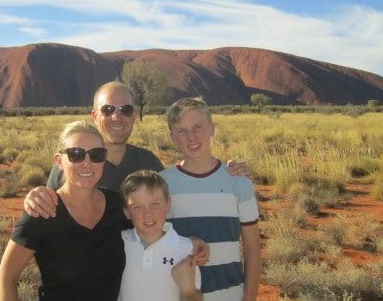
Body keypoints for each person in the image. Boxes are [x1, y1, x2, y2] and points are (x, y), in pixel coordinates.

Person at [24, 81, 253, 219]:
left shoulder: (148, 162)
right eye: (107, 109)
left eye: (125, 109)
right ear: (95, 116)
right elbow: (47, 204)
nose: (117, 117)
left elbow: (176, 204)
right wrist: (34, 197)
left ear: (134, 115)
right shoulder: (73, 162)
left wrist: (229, 175)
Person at [0, 120, 126, 301]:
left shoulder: (117, 205)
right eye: (76, 154)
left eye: (96, 154)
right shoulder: (43, 212)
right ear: (59, 161)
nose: (87, 163)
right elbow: (6, 278)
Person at [160, 97, 261, 301]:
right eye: (182, 131)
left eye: (198, 127)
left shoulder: (239, 183)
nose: (191, 137)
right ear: (172, 137)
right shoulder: (162, 185)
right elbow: (154, 242)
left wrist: (249, 298)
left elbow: (252, 250)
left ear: (212, 128)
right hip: (177, 295)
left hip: (230, 294)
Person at [119, 170, 202, 301]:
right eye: (137, 207)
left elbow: (194, 297)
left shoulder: (186, 249)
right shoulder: (119, 242)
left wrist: (189, 290)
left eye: (155, 204)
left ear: (168, 205)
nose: (148, 213)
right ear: (127, 212)